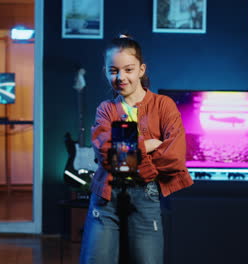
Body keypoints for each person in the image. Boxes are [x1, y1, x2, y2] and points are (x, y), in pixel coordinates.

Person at [79, 34, 193, 264]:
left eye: (128, 69)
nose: (121, 77)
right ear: (105, 72)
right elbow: (107, 155)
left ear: (141, 70)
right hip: (105, 201)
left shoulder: (164, 106)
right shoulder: (105, 110)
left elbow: (174, 157)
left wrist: (127, 153)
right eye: (113, 70)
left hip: (146, 199)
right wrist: (148, 145)